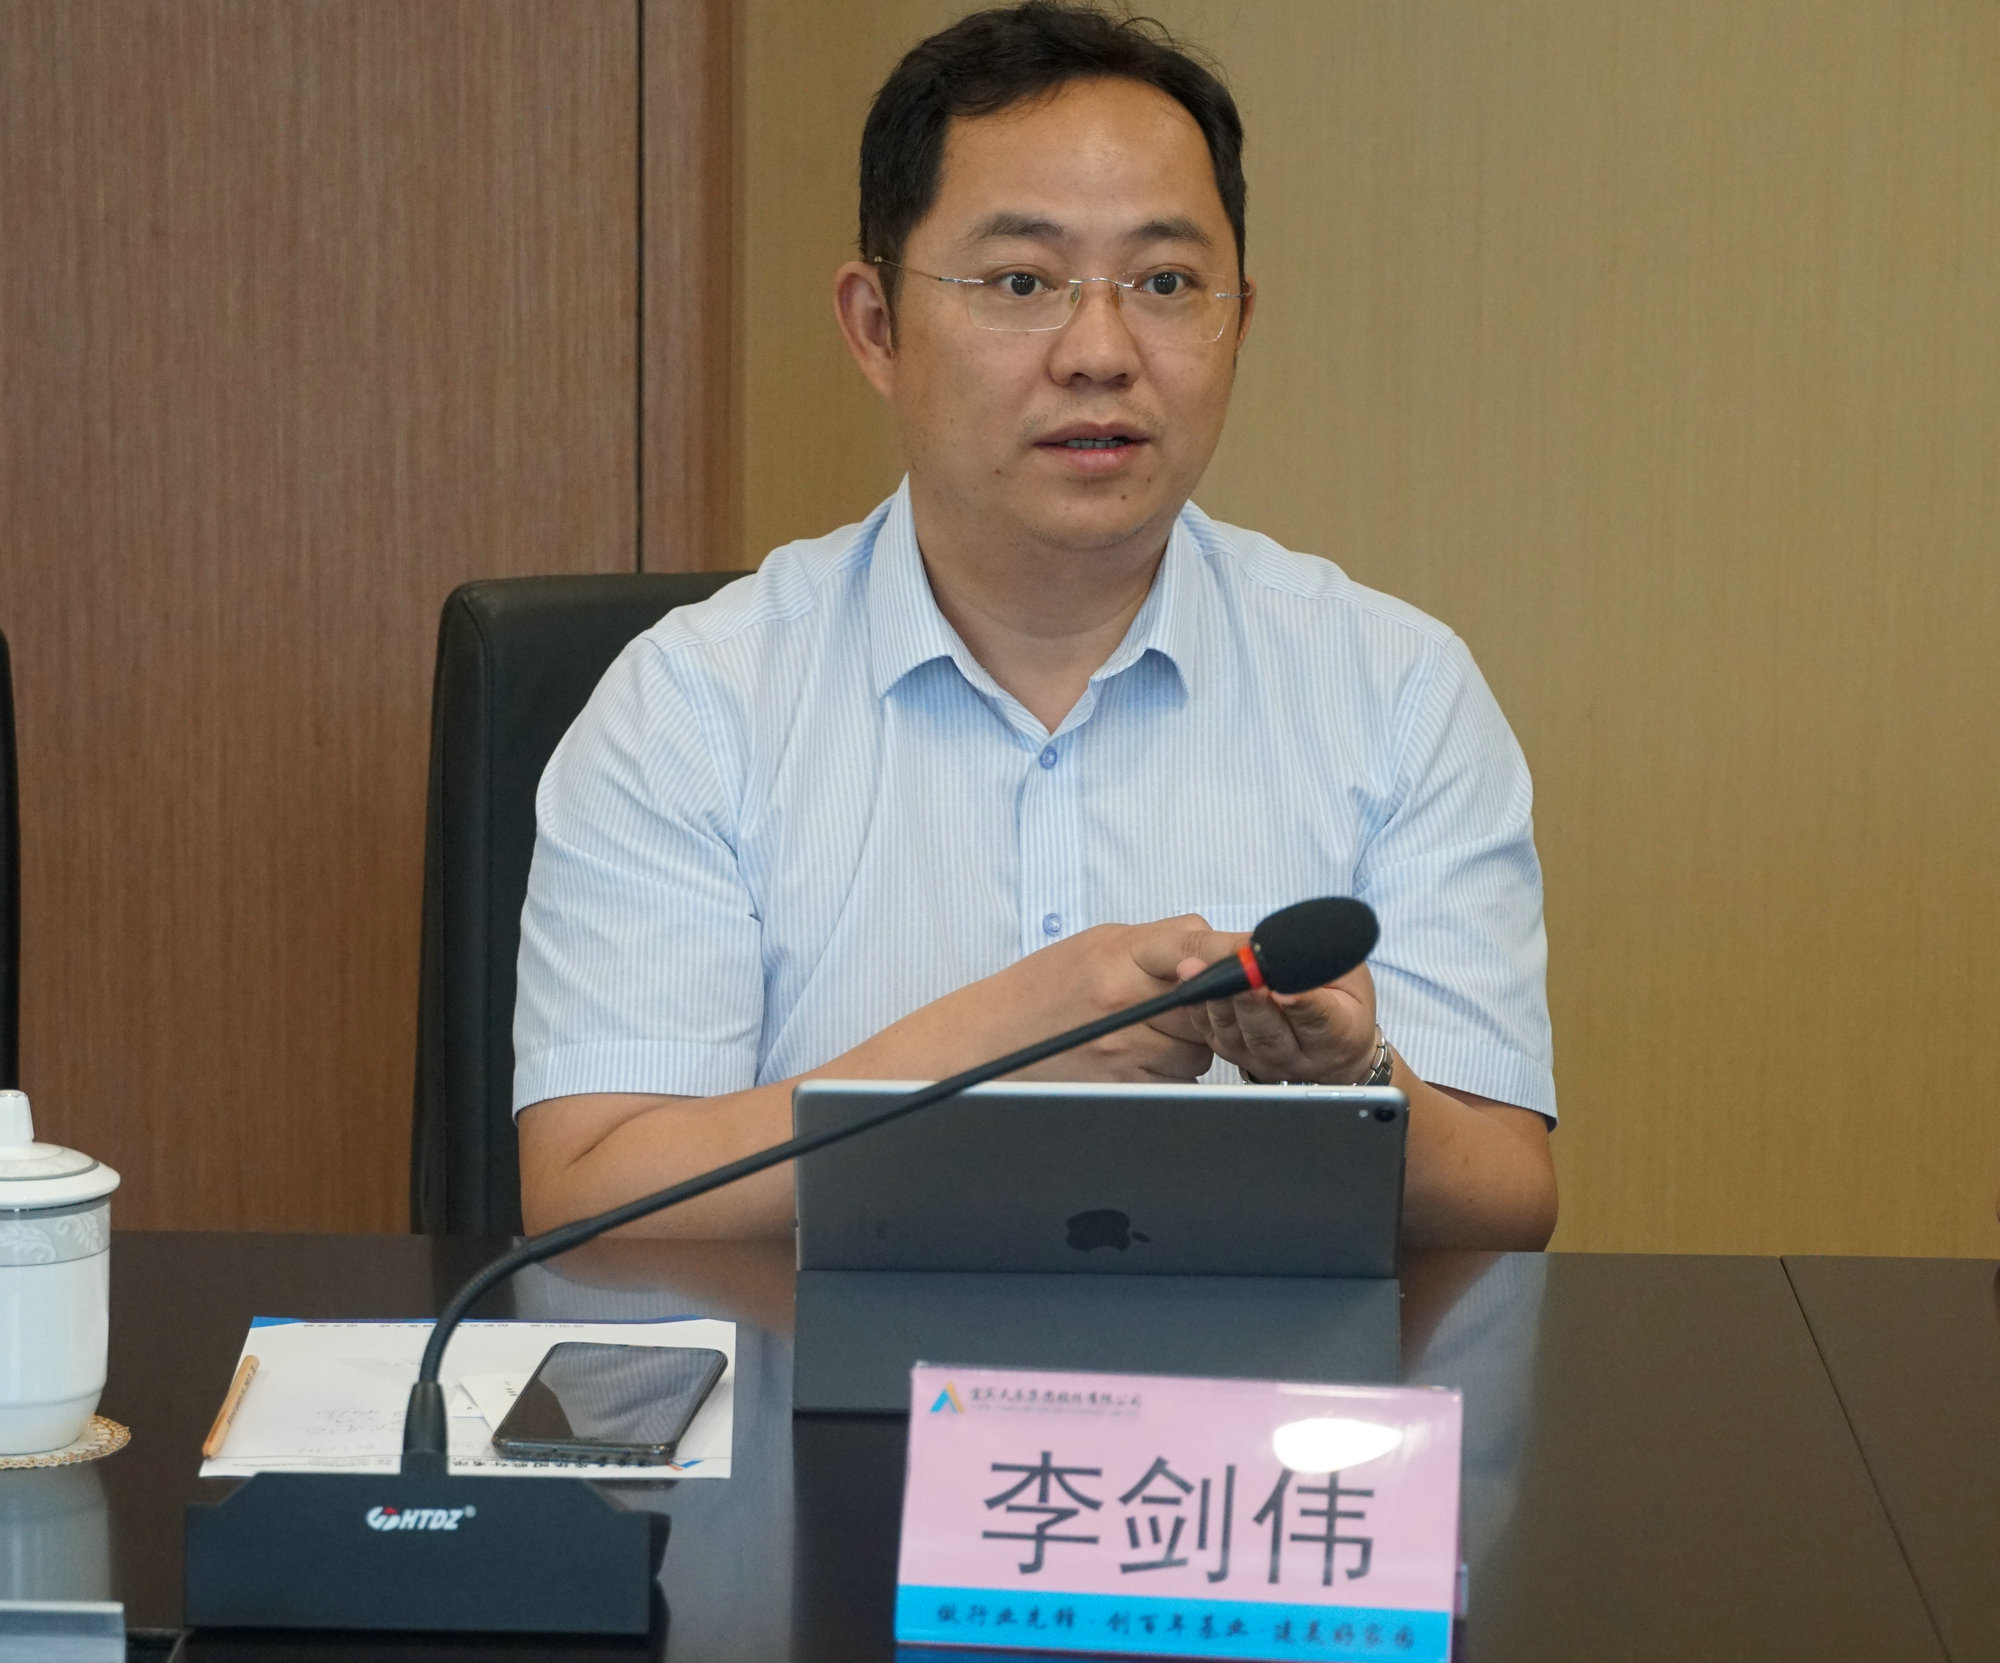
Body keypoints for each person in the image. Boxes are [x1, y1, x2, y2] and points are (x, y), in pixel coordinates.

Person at [514, 2, 1558, 1249]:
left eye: (1164, 284)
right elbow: (587, 1197)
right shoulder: (692, 707)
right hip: (823, 1373)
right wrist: (1008, 1038)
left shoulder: (1395, 690)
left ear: (1237, 320)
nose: (1099, 352)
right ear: (875, 326)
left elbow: (1507, 1201)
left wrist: (1356, 1083)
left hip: (1246, 1375)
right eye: (1021, 282)